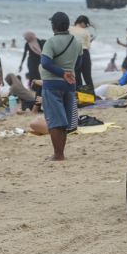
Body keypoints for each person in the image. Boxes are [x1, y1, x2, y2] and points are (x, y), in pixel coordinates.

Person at [40, 12, 83, 161]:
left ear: (54, 26)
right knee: (64, 120)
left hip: (52, 84)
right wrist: (68, 72)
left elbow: (45, 63)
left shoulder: (51, 42)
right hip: (70, 85)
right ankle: (60, 153)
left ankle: (58, 155)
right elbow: (79, 64)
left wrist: (60, 72)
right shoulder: (76, 42)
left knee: (54, 120)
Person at [69, 15, 94, 89]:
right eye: (86, 24)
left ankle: (78, 96)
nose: (85, 26)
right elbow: (88, 46)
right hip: (84, 53)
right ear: (82, 22)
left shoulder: (69, 29)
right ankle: (92, 95)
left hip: (73, 53)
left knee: (77, 75)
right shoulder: (86, 32)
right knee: (87, 76)